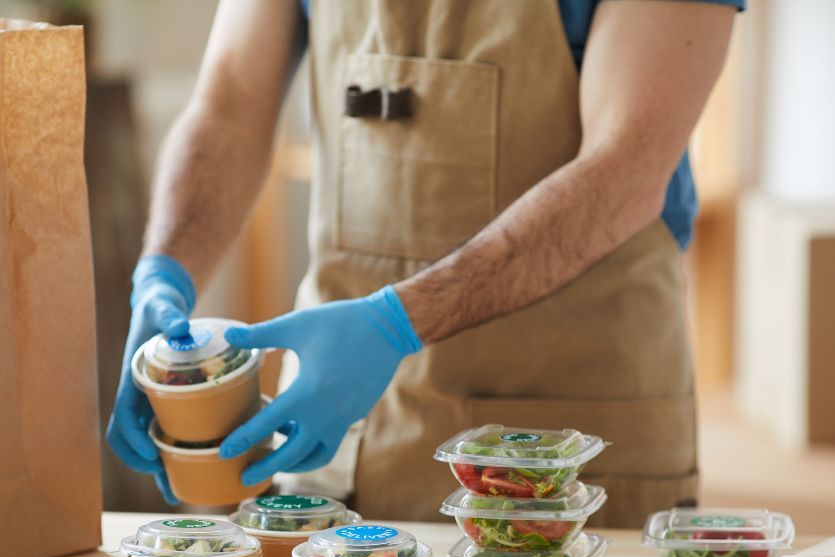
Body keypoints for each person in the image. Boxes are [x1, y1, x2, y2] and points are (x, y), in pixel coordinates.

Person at [108, 0, 743, 527]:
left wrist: (394, 323)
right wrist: (163, 272)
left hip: (564, 455)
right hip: (347, 443)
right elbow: (229, 102)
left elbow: (625, 170)